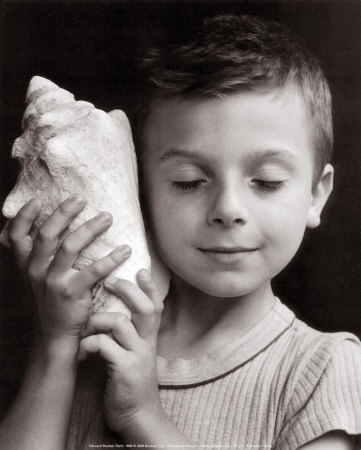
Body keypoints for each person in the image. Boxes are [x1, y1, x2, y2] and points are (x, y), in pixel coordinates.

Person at [0, 13, 360, 450]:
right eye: (188, 181)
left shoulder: (321, 371)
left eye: (266, 181)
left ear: (315, 195)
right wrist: (56, 345)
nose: (228, 210)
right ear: (139, 191)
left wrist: (143, 418)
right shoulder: (96, 346)